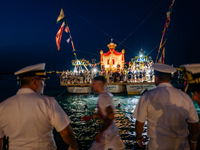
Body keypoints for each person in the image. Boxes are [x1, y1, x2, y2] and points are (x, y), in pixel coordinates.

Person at [0, 63, 78, 150]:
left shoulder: (2, 107)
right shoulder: (48, 102)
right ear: (34, 81)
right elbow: (66, 132)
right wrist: (73, 146)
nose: (44, 85)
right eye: (43, 81)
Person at [133, 63, 199, 150]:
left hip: (156, 146)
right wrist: (193, 142)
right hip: (181, 145)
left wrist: (139, 137)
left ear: (156, 78)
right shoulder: (184, 96)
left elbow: (139, 124)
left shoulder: (146, 96)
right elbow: (195, 124)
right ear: (170, 78)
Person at [81, 76, 125, 150]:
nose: (92, 85)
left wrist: (100, 132)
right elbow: (104, 112)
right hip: (113, 131)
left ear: (98, 84)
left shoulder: (103, 97)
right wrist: (91, 117)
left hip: (107, 134)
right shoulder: (106, 94)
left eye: (93, 83)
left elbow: (110, 115)